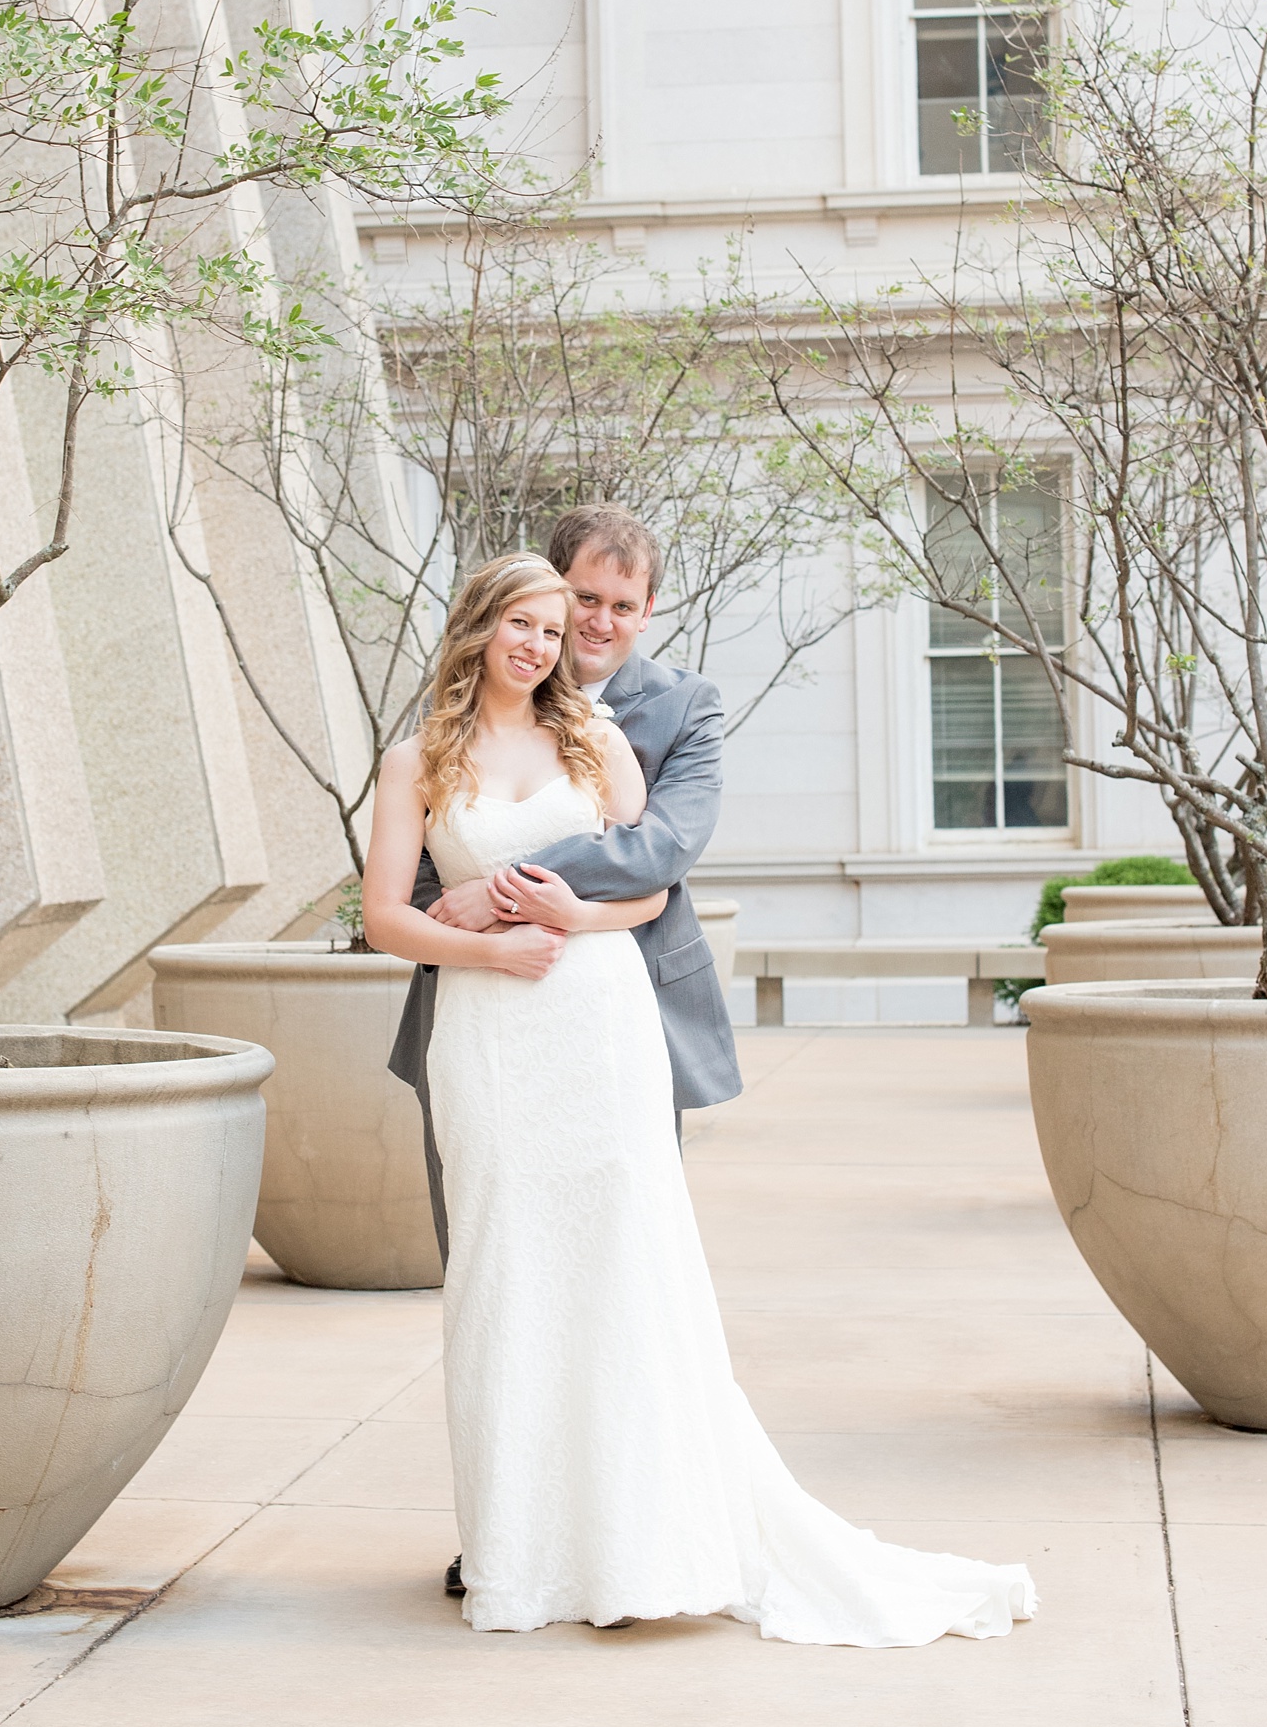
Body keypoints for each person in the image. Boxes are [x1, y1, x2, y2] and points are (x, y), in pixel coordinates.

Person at [362, 550, 1037, 1644]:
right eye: (522, 623)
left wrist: (577, 920)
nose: (539, 643)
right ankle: (521, 1553)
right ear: (480, 626)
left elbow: (652, 888)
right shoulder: (416, 759)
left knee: (624, 1260)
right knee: (505, 1270)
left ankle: (641, 1541)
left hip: (598, 1025)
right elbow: (387, 916)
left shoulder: (595, 738)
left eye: (551, 627)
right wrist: (481, 948)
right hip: (487, 1033)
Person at [389, 505, 740, 1272]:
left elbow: (660, 848)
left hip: (621, 1002)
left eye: (623, 606)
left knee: (622, 1244)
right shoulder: (451, 717)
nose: (597, 623)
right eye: (584, 599)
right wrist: (472, 923)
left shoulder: (685, 707)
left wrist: (501, 890)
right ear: (553, 589)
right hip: (479, 1004)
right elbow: (421, 871)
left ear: (647, 612)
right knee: (487, 1241)